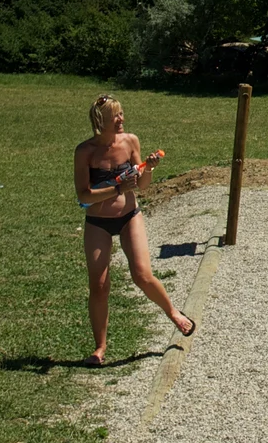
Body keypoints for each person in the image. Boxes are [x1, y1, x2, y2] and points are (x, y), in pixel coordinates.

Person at [74, 95, 194, 366]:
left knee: (142, 275)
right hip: (97, 222)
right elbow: (83, 195)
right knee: (99, 285)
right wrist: (117, 188)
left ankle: (173, 312)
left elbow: (142, 185)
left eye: (121, 114)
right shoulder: (85, 151)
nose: (121, 120)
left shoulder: (131, 141)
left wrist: (148, 169)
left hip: (129, 216)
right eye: (115, 115)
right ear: (100, 120)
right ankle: (99, 348)